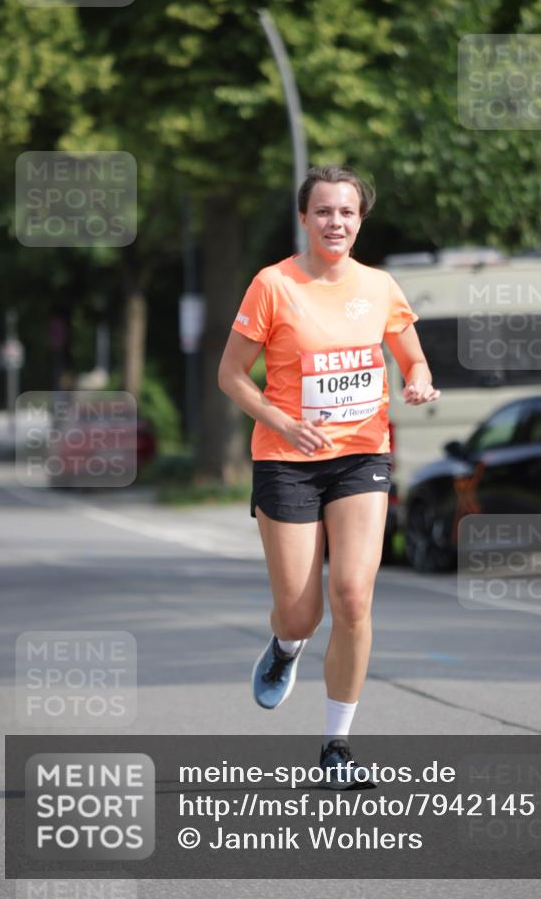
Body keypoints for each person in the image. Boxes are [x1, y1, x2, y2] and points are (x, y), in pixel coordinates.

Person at [218, 165, 440, 787]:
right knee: (299, 614)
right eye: (323, 211)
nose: (335, 222)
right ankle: (286, 647)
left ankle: (337, 744)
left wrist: (418, 379)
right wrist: (280, 422)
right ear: (304, 217)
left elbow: (410, 353)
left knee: (353, 596)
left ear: (360, 219)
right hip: (286, 459)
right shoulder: (273, 285)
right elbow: (232, 374)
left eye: (346, 212)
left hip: (361, 456)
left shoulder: (380, 286)